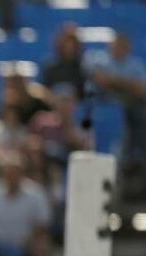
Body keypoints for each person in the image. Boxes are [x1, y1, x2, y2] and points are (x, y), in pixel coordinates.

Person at [84, 32, 146, 162]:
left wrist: (113, 81)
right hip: (101, 101)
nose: (119, 49)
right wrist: (128, 84)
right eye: (117, 45)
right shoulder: (98, 58)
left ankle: (136, 159)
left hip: (130, 106)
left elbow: (142, 90)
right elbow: (100, 80)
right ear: (110, 45)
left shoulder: (136, 64)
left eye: (123, 46)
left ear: (129, 48)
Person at [42, 23, 86, 98]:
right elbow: (45, 90)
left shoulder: (84, 67)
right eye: (66, 42)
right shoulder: (50, 67)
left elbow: (85, 93)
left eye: (72, 42)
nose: (69, 46)